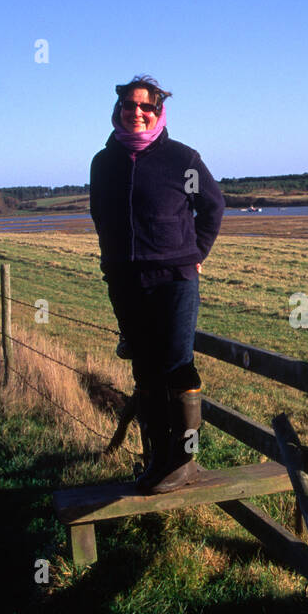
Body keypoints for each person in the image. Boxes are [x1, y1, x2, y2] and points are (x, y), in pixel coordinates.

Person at [89, 75, 225, 493]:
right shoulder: (104, 161)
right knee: (145, 368)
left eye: (145, 106)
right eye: (129, 106)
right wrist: (113, 263)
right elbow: (100, 216)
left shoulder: (181, 158)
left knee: (176, 363)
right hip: (126, 280)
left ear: (158, 110)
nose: (137, 113)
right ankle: (156, 461)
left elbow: (213, 205)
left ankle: (182, 462)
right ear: (119, 110)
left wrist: (195, 254)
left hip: (174, 278)